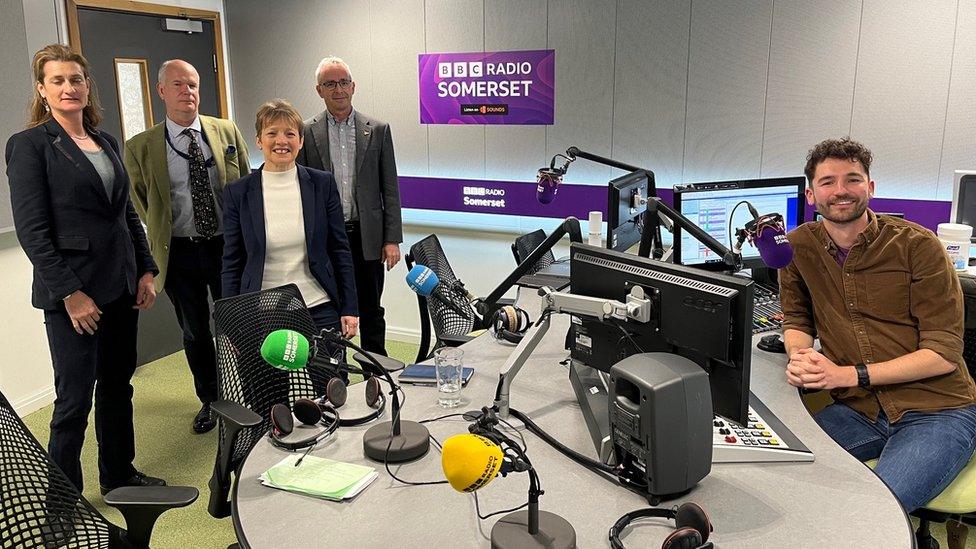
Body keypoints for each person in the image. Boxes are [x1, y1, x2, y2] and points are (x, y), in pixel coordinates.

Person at [779, 137, 976, 513]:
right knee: (781, 481)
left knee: (871, 515)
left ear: (869, 187)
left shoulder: (919, 247)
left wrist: (845, 375)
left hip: (937, 411)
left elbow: (943, 354)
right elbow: (797, 317)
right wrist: (800, 355)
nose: (841, 191)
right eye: (828, 182)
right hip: (858, 411)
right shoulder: (797, 246)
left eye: (852, 180)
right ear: (810, 194)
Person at [5, 44, 166, 494]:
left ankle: (119, 474)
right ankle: (63, 502)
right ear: (42, 89)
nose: (68, 87)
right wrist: (71, 295)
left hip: (120, 287)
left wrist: (146, 269)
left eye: (75, 79)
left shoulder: (105, 140)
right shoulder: (29, 146)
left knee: (117, 389)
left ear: (87, 85)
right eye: (57, 80)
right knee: (73, 403)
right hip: (75, 298)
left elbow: (126, 214)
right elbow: (33, 232)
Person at [125, 59, 251, 434]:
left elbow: (244, 183)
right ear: (161, 91)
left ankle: (250, 393)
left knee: (238, 323)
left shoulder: (225, 131)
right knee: (196, 330)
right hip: (178, 253)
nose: (188, 92)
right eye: (178, 85)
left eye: (193, 85)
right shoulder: (141, 146)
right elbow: (141, 201)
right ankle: (211, 401)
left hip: (226, 248)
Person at [222, 98, 358, 343]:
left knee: (330, 381)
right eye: (272, 133)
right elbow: (232, 262)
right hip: (261, 312)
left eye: (290, 133)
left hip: (319, 305)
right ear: (259, 140)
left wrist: (349, 307)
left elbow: (340, 250)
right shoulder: (238, 193)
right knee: (269, 383)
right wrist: (231, 322)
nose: (281, 141)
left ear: (301, 141)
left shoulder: (322, 184)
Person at [297, 56, 402, 358]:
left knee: (371, 308)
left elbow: (390, 188)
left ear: (353, 87)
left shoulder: (377, 129)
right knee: (330, 311)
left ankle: (376, 374)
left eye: (343, 82)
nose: (338, 89)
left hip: (367, 237)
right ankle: (335, 378)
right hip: (327, 239)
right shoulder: (306, 131)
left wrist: (391, 238)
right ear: (319, 90)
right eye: (330, 83)